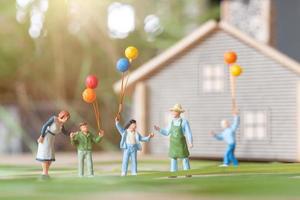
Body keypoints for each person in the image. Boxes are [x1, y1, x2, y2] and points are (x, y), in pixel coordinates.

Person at [154, 104, 193, 178]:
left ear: (179, 112)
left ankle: (188, 172)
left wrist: (190, 142)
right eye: (172, 111)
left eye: (174, 111)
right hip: (173, 144)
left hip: (181, 144)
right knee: (173, 158)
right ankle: (173, 173)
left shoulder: (184, 122)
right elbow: (166, 132)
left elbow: (188, 133)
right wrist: (159, 129)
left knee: (185, 158)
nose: (172, 113)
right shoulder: (171, 122)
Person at [36, 110, 71, 178]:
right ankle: (44, 173)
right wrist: (42, 136)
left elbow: (64, 132)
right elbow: (45, 126)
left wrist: (70, 134)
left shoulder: (61, 124)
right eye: (66, 118)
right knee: (45, 155)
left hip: (51, 139)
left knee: (50, 156)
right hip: (46, 137)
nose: (66, 120)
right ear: (62, 116)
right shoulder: (54, 119)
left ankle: (46, 172)